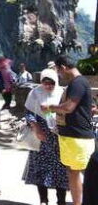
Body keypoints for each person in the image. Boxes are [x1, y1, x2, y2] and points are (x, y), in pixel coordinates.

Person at [43, 55, 96, 205]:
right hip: (73, 136)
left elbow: (68, 107)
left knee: (76, 173)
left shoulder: (77, 83)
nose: (59, 75)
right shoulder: (79, 83)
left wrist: (50, 108)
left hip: (77, 137)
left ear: (63, 67)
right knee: (77, 172)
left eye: (58, 71)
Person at [22, 68, 69, 205]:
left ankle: (61, 200)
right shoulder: (35, 93)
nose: (48, 86)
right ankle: (43, 199)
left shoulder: (62, 92)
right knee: (40, 168)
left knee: (61, 169)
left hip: (59, 135)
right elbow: (29, 112)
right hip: (41, 134)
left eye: (51, 83)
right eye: (45, 83)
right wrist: (36, 128)